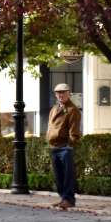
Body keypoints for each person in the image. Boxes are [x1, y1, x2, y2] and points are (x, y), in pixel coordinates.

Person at [48, 82, 83, 210]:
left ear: (69, 94)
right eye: (58, 93)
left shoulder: (72, 110)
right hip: (54, 147)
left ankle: (69, 199)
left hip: (65, 147)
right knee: (59, 176)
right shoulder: (54, 109)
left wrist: (69, 145)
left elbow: (74, 132)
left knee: (68, 175)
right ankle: (63, 198)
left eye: (63, 92)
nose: (60, 95)